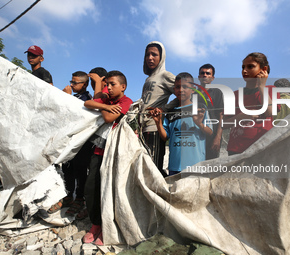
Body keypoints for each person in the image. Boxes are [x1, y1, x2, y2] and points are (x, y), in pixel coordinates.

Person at [83, 70, 133, 245]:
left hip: (115, 154)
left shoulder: (126, 101)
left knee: (110, 191)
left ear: (123, 87)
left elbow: (108, 118)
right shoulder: (106, 101)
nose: (108, 87)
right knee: (92, 189)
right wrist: (104, 104)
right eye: (107, 84)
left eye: (113, 84)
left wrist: (104, 106)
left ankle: (108, 227)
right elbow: (88, 102)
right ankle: (96, 224)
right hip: (98, 152)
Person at [48, 71, 93, 217]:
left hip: (81, 143)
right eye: (71, 82)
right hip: (69, 141)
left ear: (84, 84)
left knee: (80, 170)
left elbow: (78, 114)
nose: (72, 85)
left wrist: (65, 98)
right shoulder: (75, 97)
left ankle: (79, 198)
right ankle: (68, 195)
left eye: (75, 83)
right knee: (67, 168)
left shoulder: (87, 98)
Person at [150, 72, 212, 176]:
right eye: (178, 87)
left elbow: (209, 132)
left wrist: (199, 124)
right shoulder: (170, 113)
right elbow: (165, 137)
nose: (181, 90)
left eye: (185, 87)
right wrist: (158, 122)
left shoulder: (200, 109)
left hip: (195, 164)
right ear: (174, 90)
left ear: (193, 89)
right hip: (175, 165)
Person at [224, 52, 280, 155]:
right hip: (236, 149)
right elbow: (224, 124)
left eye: (250, 66)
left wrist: (262, 87)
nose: (244, 70)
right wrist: (241, 116)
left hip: (263, 147)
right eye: (243, 67)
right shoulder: (234, 95)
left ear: (263, 70)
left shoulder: (271, 90)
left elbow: (269, 112)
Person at [140, 41, 176, 177]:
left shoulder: (165, 75)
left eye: (154, 54)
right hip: (142, 129)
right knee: (143, 168)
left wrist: (164, 108)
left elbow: (184, 92)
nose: (150, 57)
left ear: (162, 57)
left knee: (153, 170)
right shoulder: (148, 79)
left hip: (154, 129)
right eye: (147, 54)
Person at [197, 64, 224, 159]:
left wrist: (218, 137)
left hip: (212, 136)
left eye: (208, 73)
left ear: (212, 78)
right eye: (202, 73)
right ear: (199, 77)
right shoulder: (192, 94)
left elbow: (221, 115)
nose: (205, 75)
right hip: (196, 135)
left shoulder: (217, 92)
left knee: (210, 166)